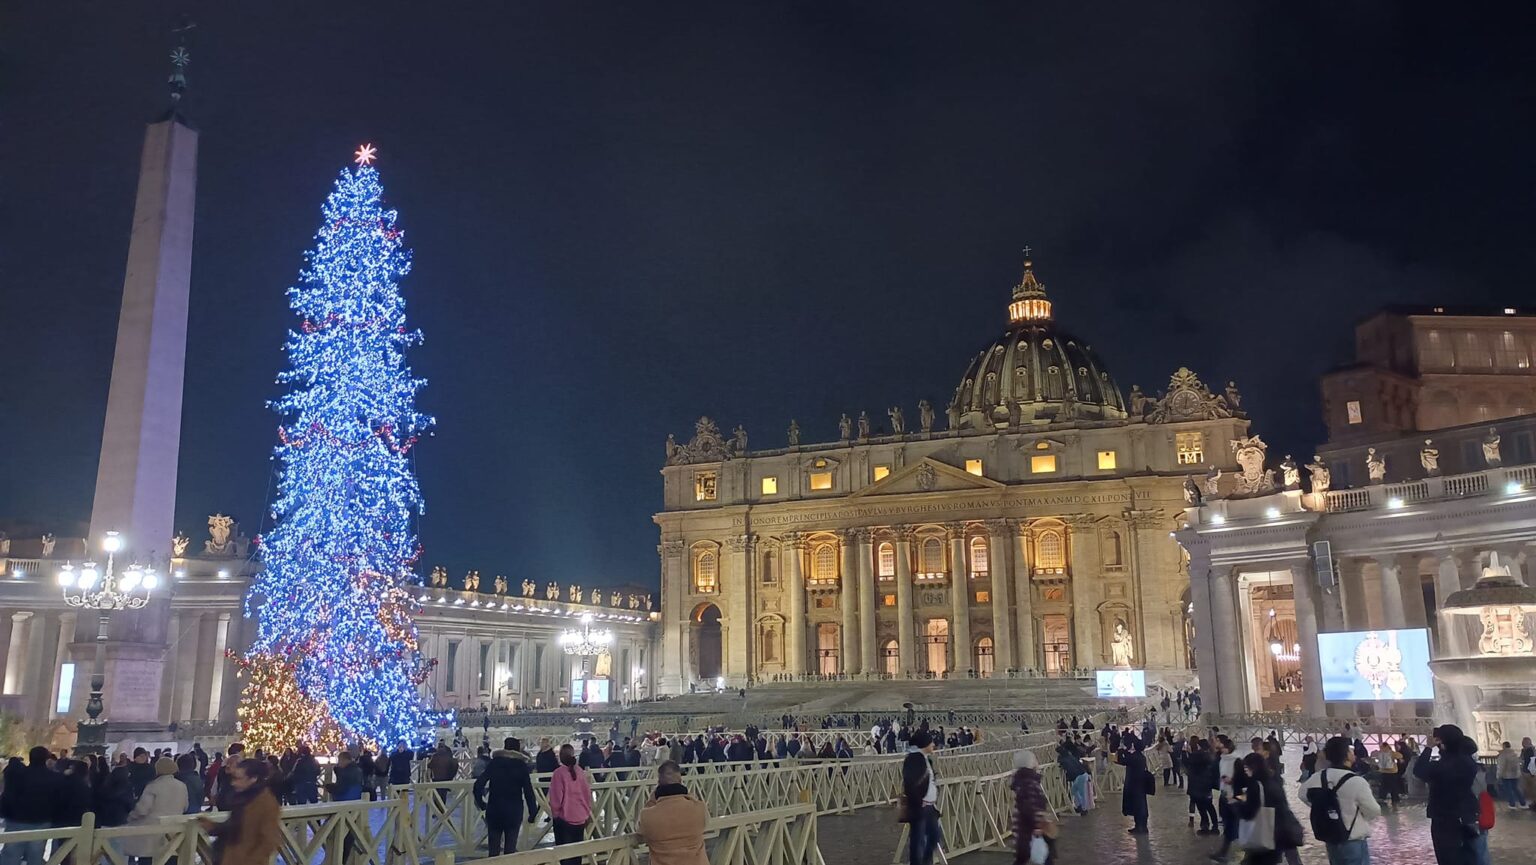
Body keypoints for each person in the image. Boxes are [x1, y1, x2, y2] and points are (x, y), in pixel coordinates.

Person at [1301, 736, 1380, 865]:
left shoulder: (1319, 777)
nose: (1353, 752)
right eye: (1350, 750)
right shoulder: (1357, 781)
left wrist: (1325, 807)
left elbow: (1303, 794)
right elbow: (1374, 810)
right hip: (1353, 839)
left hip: (1331, 839)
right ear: (1346, 755)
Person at [1413, 724, 1482, 865]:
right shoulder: (1468, 761)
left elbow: (1419, 770)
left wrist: (1428, 748)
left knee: (1447, 856)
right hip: (1466, 813)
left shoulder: (1443, 765)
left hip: (1444, 817)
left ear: (1442, 743)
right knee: (1469, 855)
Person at [200, 760, 281, 865]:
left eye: (238, 779)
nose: (233, 783)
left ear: (253, 779)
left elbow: (269, 841)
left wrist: (250, 861)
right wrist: (213, 827)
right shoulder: (243, 798)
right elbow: (235, 827)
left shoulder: (265, 803)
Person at [1234, 753, 1302, 865]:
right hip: (1280, 831)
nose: (1245, 770)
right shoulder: (1273, 781)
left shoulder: (1255, 785)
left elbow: (1249, 812)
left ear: (1253, 767)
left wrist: (1237, 805)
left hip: (1265, 834)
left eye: (1246, 767)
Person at [475, 737, 538, 856]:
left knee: (493, 850)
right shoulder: (521, 765)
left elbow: (478, 785)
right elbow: (528, 791)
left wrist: (481, 803)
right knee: (510, 849)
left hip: (494, 809)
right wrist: (533, 812)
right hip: (513, 811)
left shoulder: (494, 763)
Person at [0, 747, 62, 865]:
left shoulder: (18, 775)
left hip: (16, 820)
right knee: (36, 856)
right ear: (46, 759)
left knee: (11, 856)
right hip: (42, 821)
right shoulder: (55, 778)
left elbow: (8, 795)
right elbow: (58, 800)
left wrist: (5, 813)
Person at [638, 761, 708, 865]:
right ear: (680, 781)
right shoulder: (699, 809)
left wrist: (652, 800)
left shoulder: (648, 815)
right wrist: (688, 795)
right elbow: (705, 823)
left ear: (658, 784)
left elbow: (640, 831)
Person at [123, 757, 190, 864]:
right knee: (169, 858)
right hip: (173, 832)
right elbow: (185, 806)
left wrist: (130, 817)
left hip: (152, 832)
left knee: (148, 860)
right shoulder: (182, 786)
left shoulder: (154, 786)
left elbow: (142, 809)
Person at [548, 744, 593, 865]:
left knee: (565, 856)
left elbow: (556, 798)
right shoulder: (580, 771)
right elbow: (587, 794)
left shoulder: (558, 773)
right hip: (580, 818)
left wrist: (555, 815)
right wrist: (587, 812)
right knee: (576, 856)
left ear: (560, 757)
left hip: (564, 820)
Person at [902, 731, 942, 865]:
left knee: (934, 836)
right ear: (925, 744)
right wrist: (919, 802)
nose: (934, 745)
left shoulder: (925, 758)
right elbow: (910, 783)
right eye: (931, 742)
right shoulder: (914, 759)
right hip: (920, 806)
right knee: (918, 841)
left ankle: (925, 862)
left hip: (929, 806)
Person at [1011, 750, 1057, 865]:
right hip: (1031, 832)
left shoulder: (1022, 782)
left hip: (1023, 832)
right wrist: (1038, 826)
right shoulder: (1030, 783)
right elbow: (1031, 807)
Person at [1186, 738, 1220, 834]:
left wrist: (1187, 753)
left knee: (1201, 808)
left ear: (1198, 746)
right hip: (1206, 786)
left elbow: (1186, 765)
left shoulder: (1194, 756)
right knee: (1210, 806)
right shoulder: (1211, 757)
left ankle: (1205, 825)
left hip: (1195, 786)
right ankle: (1215, 826)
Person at [1495, 741, 1526, 809]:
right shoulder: (1514, 754)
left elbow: (1501, 766)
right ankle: (1523, 803)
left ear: (1504, 746)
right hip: (1515, 775)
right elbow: (1518, 764)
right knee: (1516, 789)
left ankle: (1512, 804)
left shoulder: (1503, 754)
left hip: (1506, 775)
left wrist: (1498, 775)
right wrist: (1518, 774)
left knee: (1508, 790)